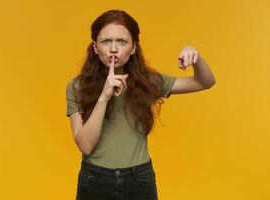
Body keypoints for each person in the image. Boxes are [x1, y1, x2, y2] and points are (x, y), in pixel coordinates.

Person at [66, 9, 216, 200]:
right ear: (95, 47)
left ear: (133, 47)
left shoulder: (148, 81)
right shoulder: (77, 86)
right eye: (106, 41)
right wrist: (104, 97)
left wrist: (196, 57)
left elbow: (205, 82)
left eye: (122, 41)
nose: (113, 49)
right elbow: (85, 146)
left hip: (139, 179)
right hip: (95, 179)